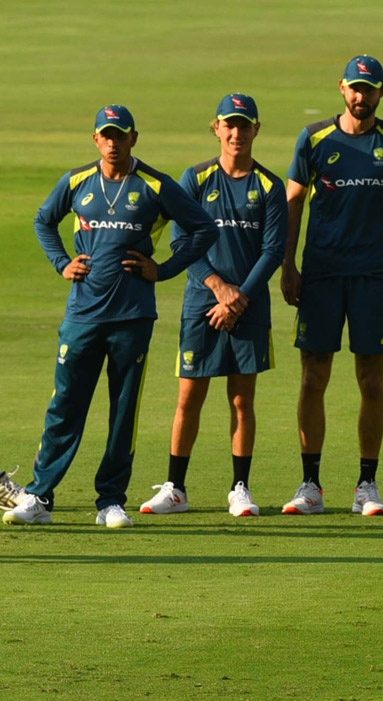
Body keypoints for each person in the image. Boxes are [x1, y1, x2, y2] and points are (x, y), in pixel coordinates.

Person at [5, 105, 216, 527]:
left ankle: (110, 502)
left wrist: (165, 269)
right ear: (96, 140)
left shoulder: (154, 184)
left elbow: (204, 228)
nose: (113, 143)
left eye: (120, 135)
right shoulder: (77, 181)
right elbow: (44, 221)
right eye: (106, 135)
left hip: (132, 316)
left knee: (123, 410)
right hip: (82, 313)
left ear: (133, 138)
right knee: (65, 405)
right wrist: (61, 262)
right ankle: (40, 497)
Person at [280, 55, 383, 516]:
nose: (362, 96)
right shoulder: (315, 138)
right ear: (342, 88)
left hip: (373, 278)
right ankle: (310, 485)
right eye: (355, 88)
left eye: (371, 89)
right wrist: (288, 265)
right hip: (320, 275)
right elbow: (293, 204)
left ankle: (367, 484)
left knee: (372, 382)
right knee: (312, 378)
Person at [138, 94, 287, 518]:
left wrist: (238, 298)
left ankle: (240, 488)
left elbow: (273, 251)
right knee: (189, 396)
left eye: (244, 125)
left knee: (242, 399)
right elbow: (182, 241)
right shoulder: (197, 179)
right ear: (217, 128)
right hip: (202, 302)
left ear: (256, 130)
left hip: (249, 305)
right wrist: (218, 286)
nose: (236, 133)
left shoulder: (269, 186)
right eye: (229, 125)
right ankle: (176, 488)